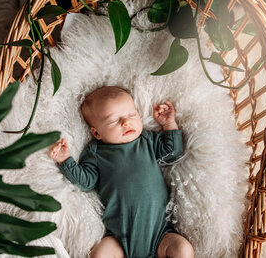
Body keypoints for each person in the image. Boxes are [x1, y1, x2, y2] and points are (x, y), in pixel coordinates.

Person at [49, 86, 194, 258]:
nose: (126, 122)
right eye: (114, 121)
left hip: (160, 235)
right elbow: (86, 182)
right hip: (119, 239)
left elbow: (172, 153)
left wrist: (169, 124)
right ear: (96, 132)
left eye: (132, 115)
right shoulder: (96, 153)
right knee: (100, 254)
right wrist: (66, 160)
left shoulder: (146, 140)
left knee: (182, 250)